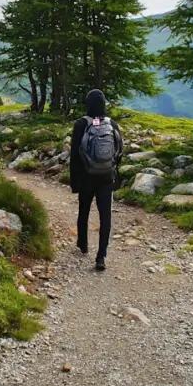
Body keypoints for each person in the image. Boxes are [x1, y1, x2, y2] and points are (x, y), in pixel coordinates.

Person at [69, 89, 123, 271]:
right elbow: (119, 150)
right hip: (106, 178)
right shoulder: (112, 124)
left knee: (84, 210)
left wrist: (74, 182)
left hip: (86, 176)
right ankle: (101, 256)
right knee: (105, 215)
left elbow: (75, 156)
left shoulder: (81, 124)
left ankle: (83, 244)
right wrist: (112, 172)